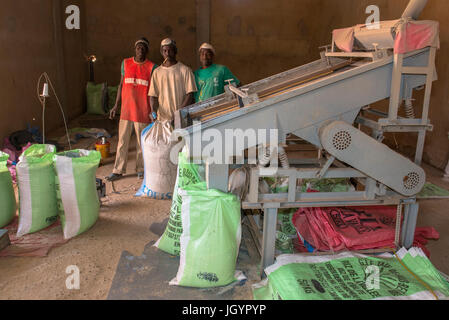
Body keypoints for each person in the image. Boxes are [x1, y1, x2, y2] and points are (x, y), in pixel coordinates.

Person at [107, 37, 158, 182]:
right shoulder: (126, 63)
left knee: (141, 143)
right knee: (122, 141)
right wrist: (116, 105)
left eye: (143, 48)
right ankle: (118, 170)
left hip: (142, 111)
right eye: (138, 47)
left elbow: (153, 91)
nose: (140, 50)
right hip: (126, 110)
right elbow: (121, 85)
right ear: (134, 49)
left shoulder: (151, 67)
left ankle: (141, 169)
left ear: (147, 51)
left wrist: (153, 110)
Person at [148, 38, 197, 123]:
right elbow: (153, 95)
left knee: (180, 137)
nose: (167, 53)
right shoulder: (157, 72)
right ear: (161, 52)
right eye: (165, 51)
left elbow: (190, 95)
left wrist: (179, 114)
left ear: (175, 51)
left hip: (181, 118)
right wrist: (153, 110)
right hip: (162, 120)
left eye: (170, 50)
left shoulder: (185, 70)